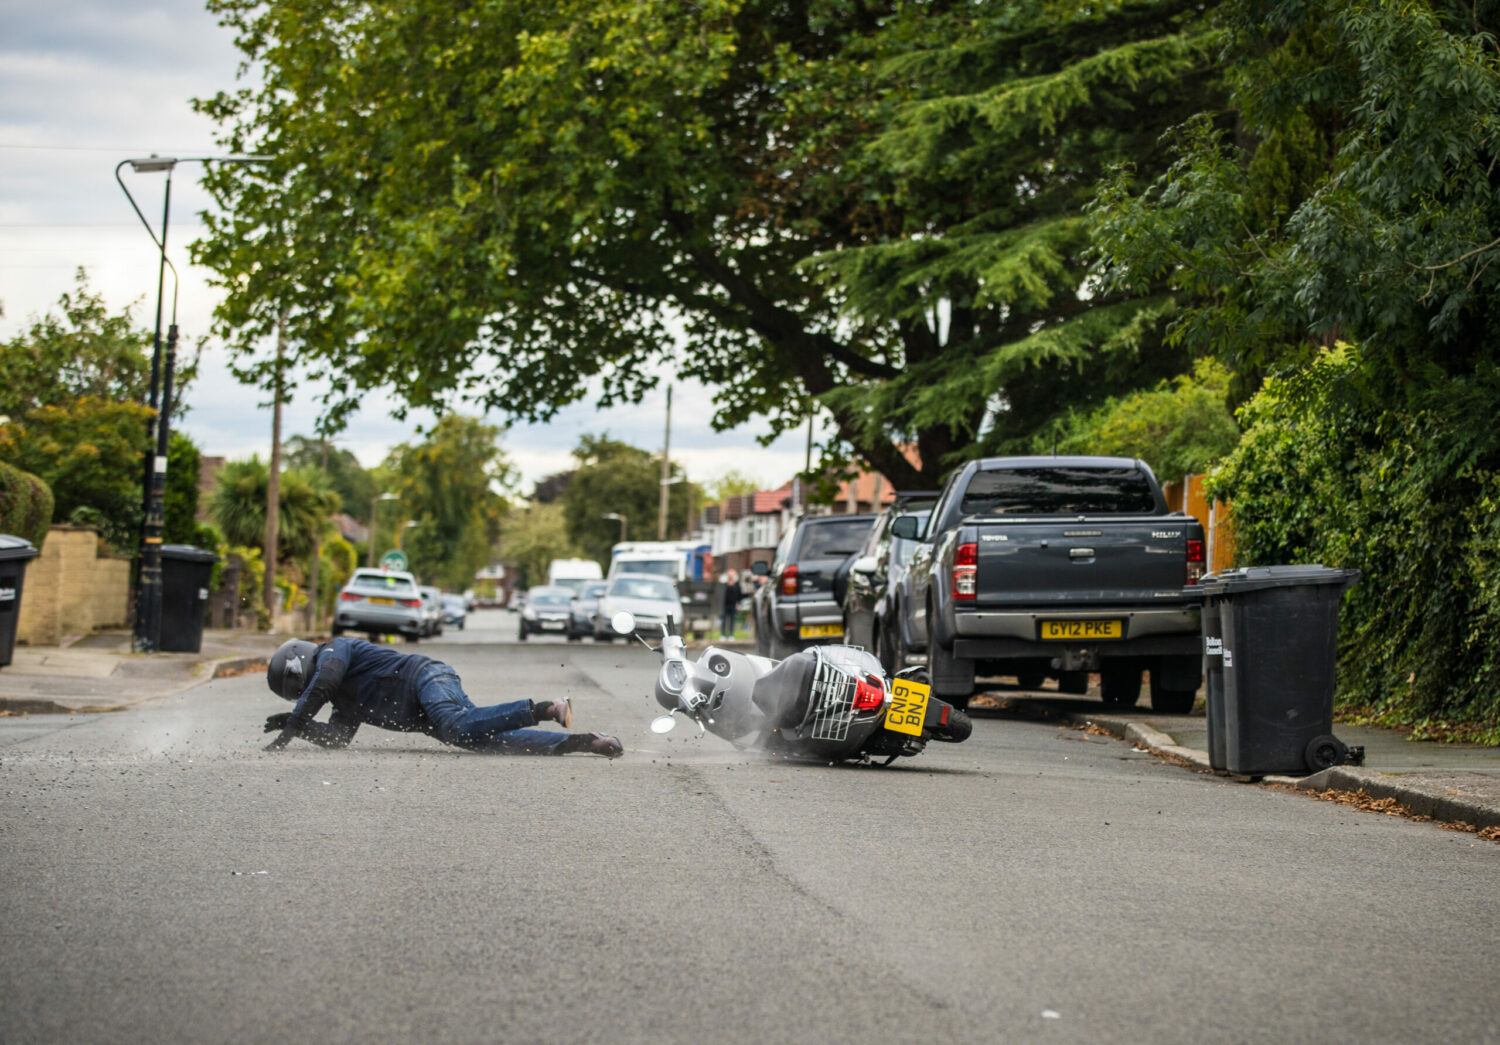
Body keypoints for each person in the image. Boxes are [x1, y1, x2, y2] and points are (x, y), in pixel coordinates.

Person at [262, 637, 623, 757]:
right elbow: (338, 739)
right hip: (424, 713)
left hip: (426, 678)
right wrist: (304, 728)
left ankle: (546, 708)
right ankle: (585, 743)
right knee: (484, 742)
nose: (301, 693)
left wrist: (293, 723)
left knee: (454, 724)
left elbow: (323, 681)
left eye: (297, 688)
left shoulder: (333, 652)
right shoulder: (343, 701)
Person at [720, 569, 741, 639]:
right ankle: (723, 635)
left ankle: (731, 635)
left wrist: (738, 604)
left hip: (733, 605)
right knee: (724, 620)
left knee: (732, 621)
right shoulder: (724, 584)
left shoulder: (737, 585)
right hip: (725, 605)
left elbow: (739, 595)